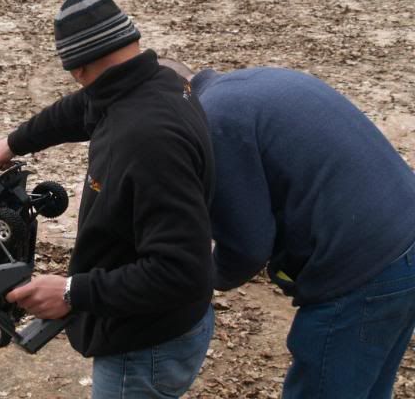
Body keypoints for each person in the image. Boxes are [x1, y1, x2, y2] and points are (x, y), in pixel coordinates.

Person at [0, 0, 216, 398]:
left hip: (144, 345)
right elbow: (82, 108)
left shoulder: (145, 139)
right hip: (166, 325)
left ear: (77, 68)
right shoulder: (157, 81)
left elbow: (181, 271)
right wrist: (15, 142)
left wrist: (73, 292)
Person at [159, 58, 415, 399]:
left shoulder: (213, 119)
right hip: (403, 241)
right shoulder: (255, 80)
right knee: (367, 387)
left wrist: (197, 280)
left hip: (363, 269)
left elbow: (247, 247)